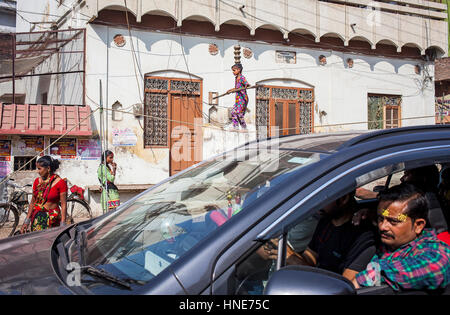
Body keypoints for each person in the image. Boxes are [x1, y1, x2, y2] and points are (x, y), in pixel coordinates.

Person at [353, 183, 450, 291]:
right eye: (380, 218)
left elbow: (437, 267)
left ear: (418, 225)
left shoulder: (434, 251)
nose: (383, 227)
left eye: (393, 221)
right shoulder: (391, 238)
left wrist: (362, 280)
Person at [264, 191, 376, 281]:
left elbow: (343, 287)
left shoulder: (362, 236)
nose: (316, 204)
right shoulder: (326, 221)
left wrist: (291, 257)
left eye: (322, 198)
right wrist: (286, 254)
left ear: (343, 199)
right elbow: (310, 258)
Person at [20, 156, 67, 233]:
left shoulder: (60, 183)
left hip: (52, 219)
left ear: (48, 168)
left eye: (39, 169)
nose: (37, 171)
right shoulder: (37, 182)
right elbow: (32, 202)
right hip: (37, 219)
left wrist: (63, 223)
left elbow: (63, 204)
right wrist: (26, 221)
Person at [226, 63, 250, 131]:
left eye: (234, 70)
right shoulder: (236, 78)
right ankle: (235, 126)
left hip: (243, 98)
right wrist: (230, 90)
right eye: (233, 70)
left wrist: (246, 86)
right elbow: (236, 88)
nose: (233, 72)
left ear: (239, 70)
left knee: (239, 113)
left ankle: (244, 127)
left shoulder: (242, 77)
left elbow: (246, 84)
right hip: (238, 99)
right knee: (233, 112)